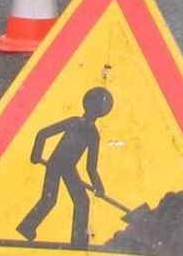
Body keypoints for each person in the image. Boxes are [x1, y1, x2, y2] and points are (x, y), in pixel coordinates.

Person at [16, 87, 114, 248]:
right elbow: (43, 133)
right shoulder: (76, 124)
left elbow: (90, 166)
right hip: (57, 164)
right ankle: (29, 228)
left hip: (67, 167)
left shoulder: (91, 132)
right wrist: (36, 154)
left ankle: (76, 240)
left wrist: (99, 187)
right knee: (54, 199)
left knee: (74, 201)